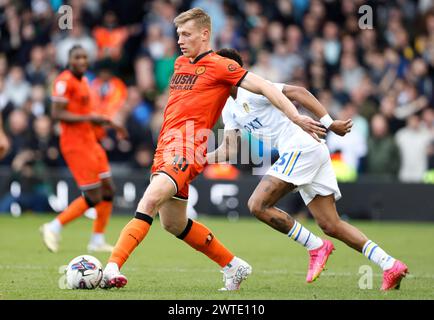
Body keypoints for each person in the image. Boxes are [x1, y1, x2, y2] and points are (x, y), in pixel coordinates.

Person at [100, 8, 326, 291]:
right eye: (179, 34)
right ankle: (233, 265)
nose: (180, 40)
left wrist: (296, 117)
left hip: (185, 148)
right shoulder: (181, 63)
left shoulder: (222, 66)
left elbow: (267, 87)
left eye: (187, 34)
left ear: (205, 34)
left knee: (148, 201)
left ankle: (111, 268)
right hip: (165, 149)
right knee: (173, 224)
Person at [207, 48, 408, 291]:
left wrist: (330, 122)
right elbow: (228, 150)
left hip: (300, 148)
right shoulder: (228, 106)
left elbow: (299, 92)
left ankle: (315, 246)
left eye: (215, 68)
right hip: (308, 151)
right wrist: (198, 157)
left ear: (231, 70)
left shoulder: (254, 86)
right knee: (331, 224)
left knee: (257, 205)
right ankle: (390, 265)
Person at [40, 45, 126, 253]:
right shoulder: (63, 81)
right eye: (77, 57)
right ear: (69, 60)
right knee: (94, 196)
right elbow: (57, 113)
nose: (82, 61)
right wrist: (90, 118)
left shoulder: (85, 81)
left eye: (85, 57)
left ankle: (97, 240)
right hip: (75, 144)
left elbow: (88, 113)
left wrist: (109, 123)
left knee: (109, 189)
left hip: (90, 140)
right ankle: (53, 226)